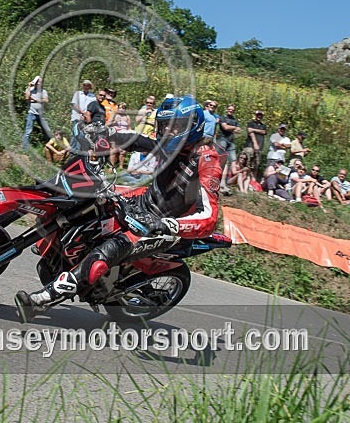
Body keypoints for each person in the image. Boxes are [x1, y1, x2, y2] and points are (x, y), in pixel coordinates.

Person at [15, 96, 223, 323]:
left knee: (110, 249)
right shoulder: (171, 143)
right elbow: (136, 139)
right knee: (86, 207)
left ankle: (42, 301)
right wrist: (104, 134)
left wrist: (166, 225)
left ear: (193, 125)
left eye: (176, 127)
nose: (169, 132)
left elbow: (209, 217)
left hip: (165, 228)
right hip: (141, 206)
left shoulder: (207, 160)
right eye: (165, 125)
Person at [22, 76, 52, 150]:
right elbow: (26, 97)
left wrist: (36, 100)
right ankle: (24, 148)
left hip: (41, 114)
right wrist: (29, 86)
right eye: (37, 82)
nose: (38, 83)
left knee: (47, 130)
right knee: (28, 131)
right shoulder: (30, 90)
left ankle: (48, 147)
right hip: (31, 113)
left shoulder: (43, 91)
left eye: (40, 82)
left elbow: (46, 100)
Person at [69, 79, 96, 152]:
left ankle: (78, 152)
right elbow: (74, 104)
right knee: (75, 135)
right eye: (84, 85)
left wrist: (86, 116)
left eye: (87, 85)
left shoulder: (93, 96)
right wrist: (83, 112)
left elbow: (93, 107)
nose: (86, 87)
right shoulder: (77, 94)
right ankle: (72, 152)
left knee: (82, 136)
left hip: (86, 119)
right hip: (77, 117)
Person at [244, 110, 268, 181]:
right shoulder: (251, 123)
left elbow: (264, 132)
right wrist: (255, 143)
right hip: (250, 146)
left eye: (261, 115)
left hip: (259, 148)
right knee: (248, 163)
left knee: (256, 164)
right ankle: (245, 179)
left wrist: (254, 130)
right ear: (255, 115)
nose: (259, 116)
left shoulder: (263, 125)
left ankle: (253, 180)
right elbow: (249, 131)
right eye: (258, 115)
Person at [107, 103, 131, 168]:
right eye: (120, 108)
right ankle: (111, 166)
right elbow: (107, 124)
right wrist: (114, 122)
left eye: (123, 108)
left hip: (124, 135)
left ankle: (121, 166)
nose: (121, 109)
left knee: (122, 151)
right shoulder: (114, 115)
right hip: (115, 134)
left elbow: (129, 128)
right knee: (113, 150)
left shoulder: (127, 117)